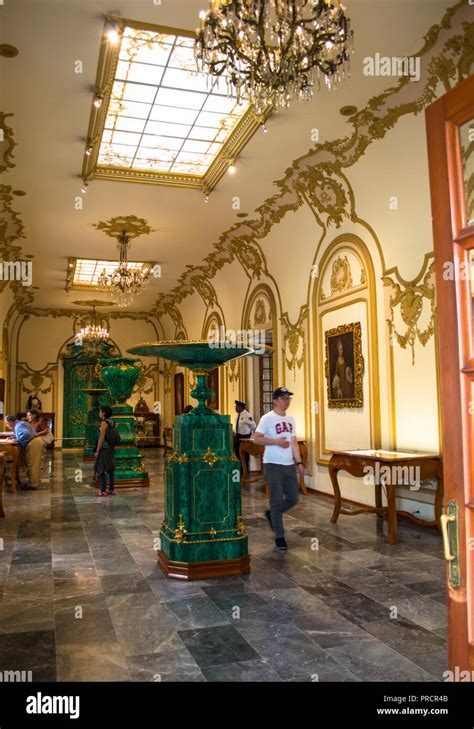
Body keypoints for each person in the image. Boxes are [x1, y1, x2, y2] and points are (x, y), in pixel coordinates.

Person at [254, 387, 304, 551]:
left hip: (289, 465)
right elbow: (257, 439)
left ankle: (272, 515)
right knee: (276, 500)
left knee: (292, 498)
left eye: (288, 398)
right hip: (273, 464)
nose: (286, 401)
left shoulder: (291, 419)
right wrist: (276, 442)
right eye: (283, 398)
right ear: (275, 400)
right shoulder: (267, 418)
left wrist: (299, 462)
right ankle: (280, 536)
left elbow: (294, 442)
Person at [4, 414, 44, 490]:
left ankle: (33, 485)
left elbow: (26, 433)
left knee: (32, 464)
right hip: (35, 441)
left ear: (10, 421)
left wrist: (17, 440)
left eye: (6, 423)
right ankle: (33, 482)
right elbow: (23, 433)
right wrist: (13, 437)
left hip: (33, 443)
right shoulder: (20, 423)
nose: (6, 425)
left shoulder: (18, 426)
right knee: (33, 463)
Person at [94, 405, 117, 497]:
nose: (99, 413)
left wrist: (97, 450)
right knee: (110, 469)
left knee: (101, 469)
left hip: (104, 449)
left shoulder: (104, 423)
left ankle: (103, 491)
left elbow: (101, 438)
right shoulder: (112, 422)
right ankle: (111, 489)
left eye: (100, 411)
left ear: (103, 413)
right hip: (111, 448)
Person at [233, 400, 256, 471]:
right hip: (237, 437)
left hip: (244, 438)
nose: (235, 408)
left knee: (244, 455)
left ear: (240, 407)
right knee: (237, 454)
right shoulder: (239, 415)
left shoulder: (247, 415)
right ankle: (239, 470)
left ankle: (245, 471)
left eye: (236, 407)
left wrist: (248, 434)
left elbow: (253, 426)